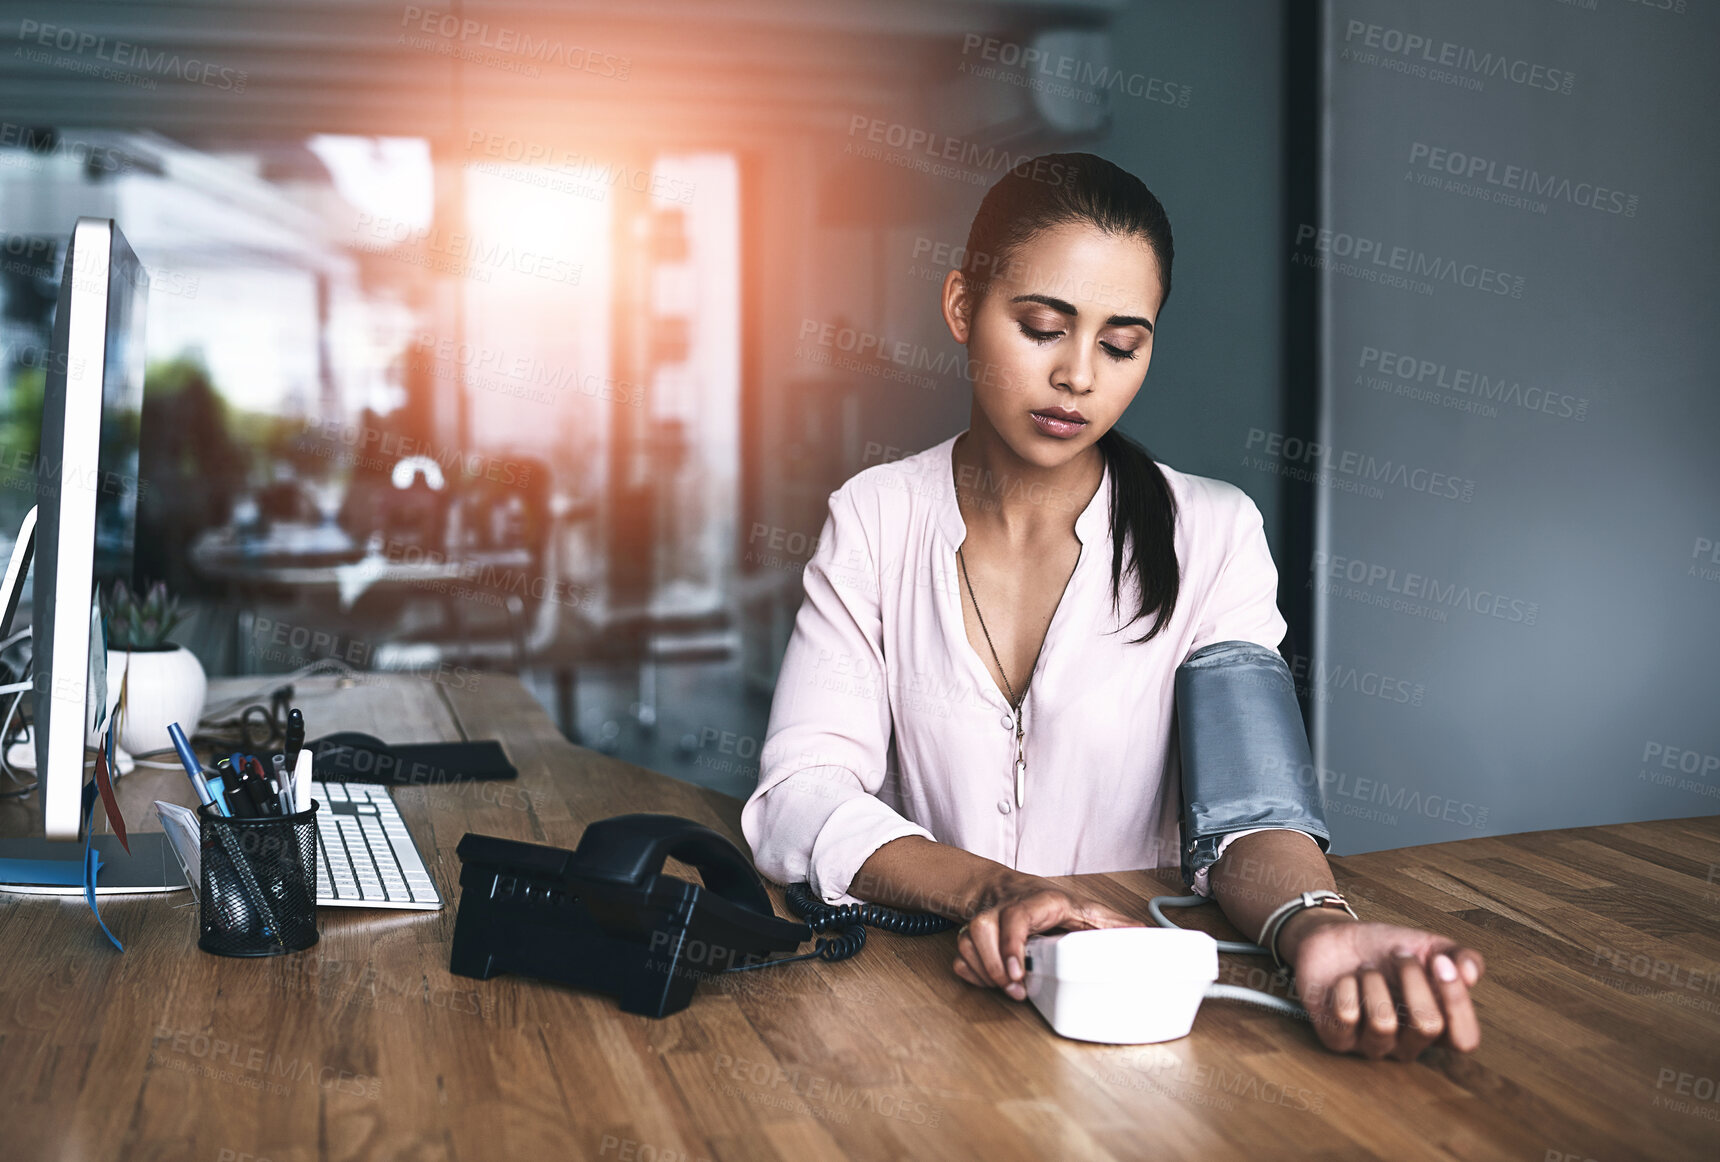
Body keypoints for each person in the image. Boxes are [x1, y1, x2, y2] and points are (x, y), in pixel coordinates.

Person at [742, 153, 1486, 1061]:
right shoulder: (875, 517)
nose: (1078, 378)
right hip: (914, 1018)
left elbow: (1252, 813)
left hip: (1141, 1021)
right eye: (1043, 327)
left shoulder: (1215, 533)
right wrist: (991, 892)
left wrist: (1312, 926)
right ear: (961, 308)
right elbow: (799, 800)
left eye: (1120, 344)